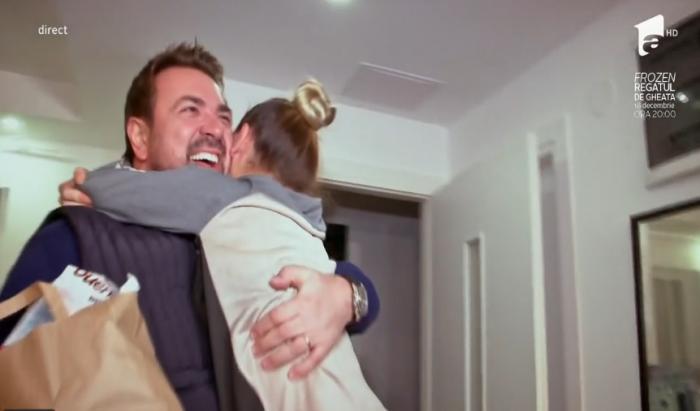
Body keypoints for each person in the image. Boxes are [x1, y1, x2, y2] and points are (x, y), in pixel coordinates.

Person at [0, 43, 379, 411]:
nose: (214, 129)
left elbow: (350, 286)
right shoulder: (75, 234)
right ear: (140, 137)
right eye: (190, 110)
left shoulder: (234, 222)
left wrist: (348, 296)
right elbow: (16, 374)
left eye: (224, 118)